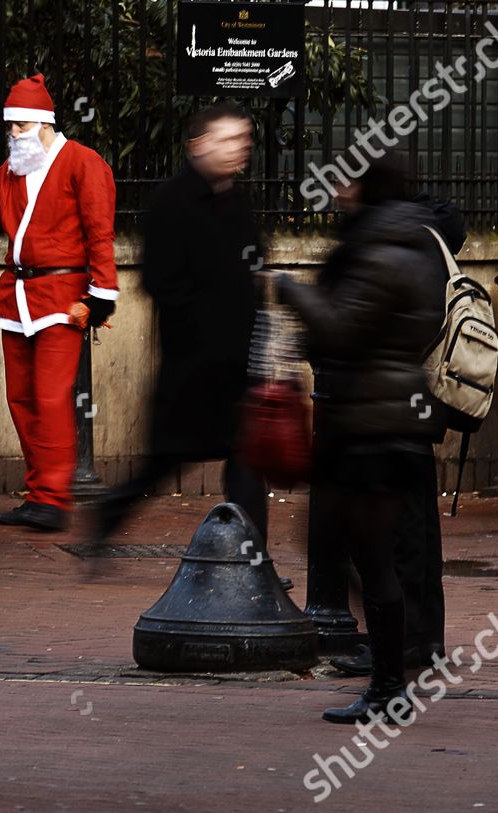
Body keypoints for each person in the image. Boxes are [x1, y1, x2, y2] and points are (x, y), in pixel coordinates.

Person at [270, 152, 449, 724]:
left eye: (350, 180)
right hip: (391, 414)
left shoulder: (379, 246)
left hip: (370, 421)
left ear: (370, 188)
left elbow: (343, 327)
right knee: (361, 547)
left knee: (364, 552)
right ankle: (392, 672)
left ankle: (389, 684)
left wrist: (286, 289)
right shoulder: (412, 242)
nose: (339, 189)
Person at [83, 102, 267, 550]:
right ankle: (108, 514)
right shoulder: (171, 200)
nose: (238, 149)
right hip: (192, 364)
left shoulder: (239, 200)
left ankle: (254, 558)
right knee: (162, 464)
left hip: (238, 364)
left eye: (243, 139)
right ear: (198, 144)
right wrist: (204, 328)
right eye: (227, 139)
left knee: (247, 461)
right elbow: (159, 281)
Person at [0, 73, 119, 532]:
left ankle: (54, 498)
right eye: (9, 126)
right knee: (21, 399)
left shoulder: (84, 162)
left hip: (61, 295)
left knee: (52, 398)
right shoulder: (10, 168)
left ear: (42, 123)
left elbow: (100, 231)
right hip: (15, 295)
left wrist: (101, 293)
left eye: (18, 125)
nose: (11, 133)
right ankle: (39, 494)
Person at [323, 190, 465, 675]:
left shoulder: (406, 240)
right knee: (415, 528)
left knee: (391, 532)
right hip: (413, 402)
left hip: (393, 403)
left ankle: (402, 645)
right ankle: (420, 641)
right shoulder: (427, 236)